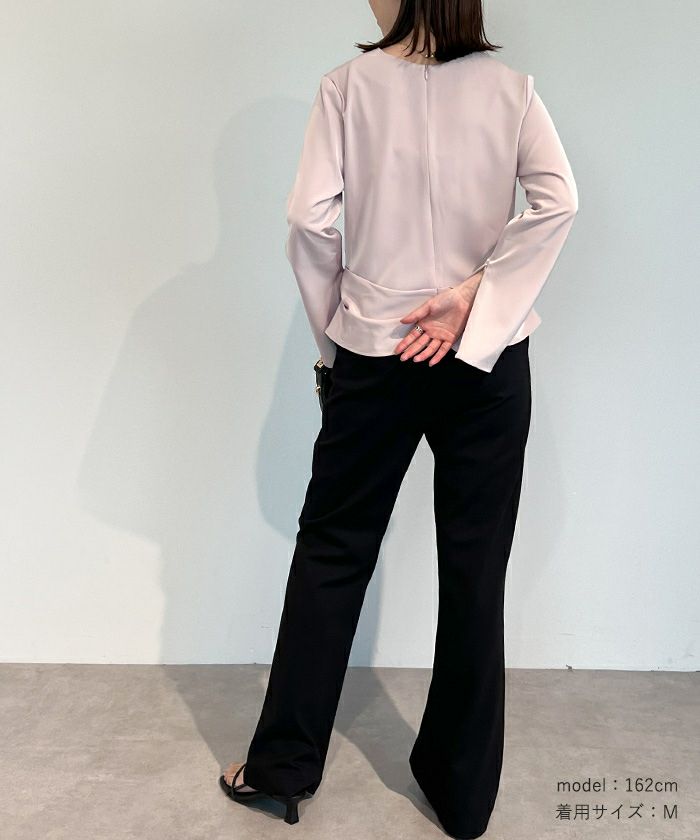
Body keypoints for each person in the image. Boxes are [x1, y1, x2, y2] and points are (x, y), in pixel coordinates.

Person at [219, 0, 578, 836]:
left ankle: (281, 770)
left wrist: (336, 341)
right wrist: (475, 296)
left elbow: (308, 221)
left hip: (377, 354)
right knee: (476, 567)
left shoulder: (347, 88)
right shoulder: (513, 90)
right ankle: (461, 795)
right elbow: (558, 201)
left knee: (332, 550)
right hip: (486, 360)